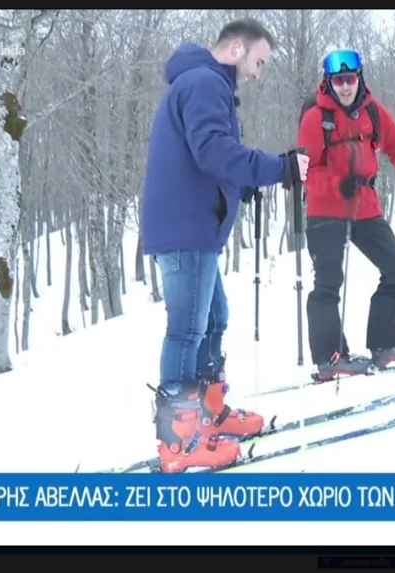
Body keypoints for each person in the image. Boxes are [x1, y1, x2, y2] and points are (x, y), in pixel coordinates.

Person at [141, 18, 310, 473]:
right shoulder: (204, 83)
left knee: (214, 319)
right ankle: (178, 441)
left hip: (193, 226)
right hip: (185, 228)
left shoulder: (201, 83)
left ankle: (209, 415)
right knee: (186, 331)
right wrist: (278, 168)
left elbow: (205, 157)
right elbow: (212, 150)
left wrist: (241, 184)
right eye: (258, 61)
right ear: (236, 48)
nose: (258, 73)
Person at [297, 48, 395, 381]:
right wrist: (340, 185)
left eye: (350, 79)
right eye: (338, 80)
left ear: (359, 78)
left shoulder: (373, 112)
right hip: (326, 209)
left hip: (365, 205)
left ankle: (384, 346)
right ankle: (330, 358)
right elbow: (306, 170)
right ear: (330, 82)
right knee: (327, 283)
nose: (345, 86)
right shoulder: (315, 118)